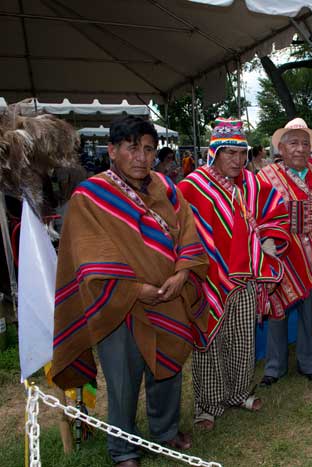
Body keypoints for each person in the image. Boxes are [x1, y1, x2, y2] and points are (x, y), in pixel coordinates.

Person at [50, 116, 209, 467]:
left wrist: (183, 274)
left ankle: (164, 431)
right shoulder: (89, 197)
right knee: (123, 379)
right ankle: (123, 448)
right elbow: (91, 257)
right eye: (131, 147)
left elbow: (188, 234)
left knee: (167, 367)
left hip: (169, 296)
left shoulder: (167, 188)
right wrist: (136, 289)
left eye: (148, 149)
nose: (141, 157)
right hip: (119, 304)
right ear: (112, 151)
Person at [179, 118, 290, 430]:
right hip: (207, 278)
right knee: (208, 338)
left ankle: (239, 392)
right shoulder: (193, 186)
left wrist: (267, 244)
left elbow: (275, 212)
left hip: (246, 277)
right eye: (229, 153)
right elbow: (179, 229)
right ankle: (209, 403)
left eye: (241, 153)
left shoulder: (253, 184)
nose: (237, 160)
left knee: (242, 337)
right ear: (214, 153)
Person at [257, 118, 312, 386]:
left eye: (305, 144)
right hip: (280, 257)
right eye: (294, 143)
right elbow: (257, 215)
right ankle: (274, 366)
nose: (300, 149)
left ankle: (310, 363)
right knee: (277, 312)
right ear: (281, 149)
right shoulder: (266, 177)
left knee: (309, 312)